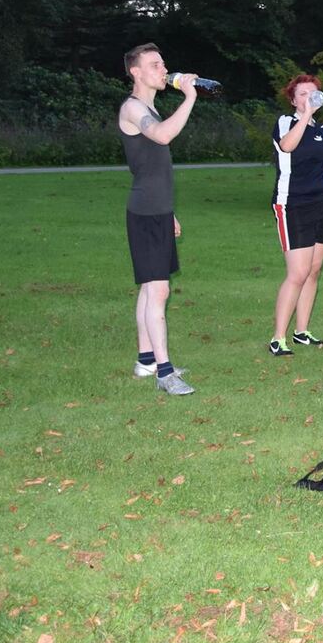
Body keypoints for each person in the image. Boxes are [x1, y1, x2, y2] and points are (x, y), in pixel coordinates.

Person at [116, 43, 198, 395]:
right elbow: (163, 135)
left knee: (150, 288)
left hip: (157, 211)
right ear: (135, 71)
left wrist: (170, 212)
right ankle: (165, 373)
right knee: (158, 291)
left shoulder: (147, 106)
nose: (162, 69)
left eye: (163, 63)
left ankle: (146, 360)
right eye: (154, 64)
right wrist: (190, 98)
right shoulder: (133, 108)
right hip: (145, 213)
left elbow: (155, 169)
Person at [267, 74, 323, 357]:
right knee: (297, 273)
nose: (308, 98)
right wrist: (305, 115)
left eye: (313, 94)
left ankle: (301, 332)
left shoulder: (322, 130)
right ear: (293, 99)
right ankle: (278, 338)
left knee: (313, 271)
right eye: (302, 94)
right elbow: (287, 146)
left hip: (321, 204)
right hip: (292, 204)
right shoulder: (286, 123)